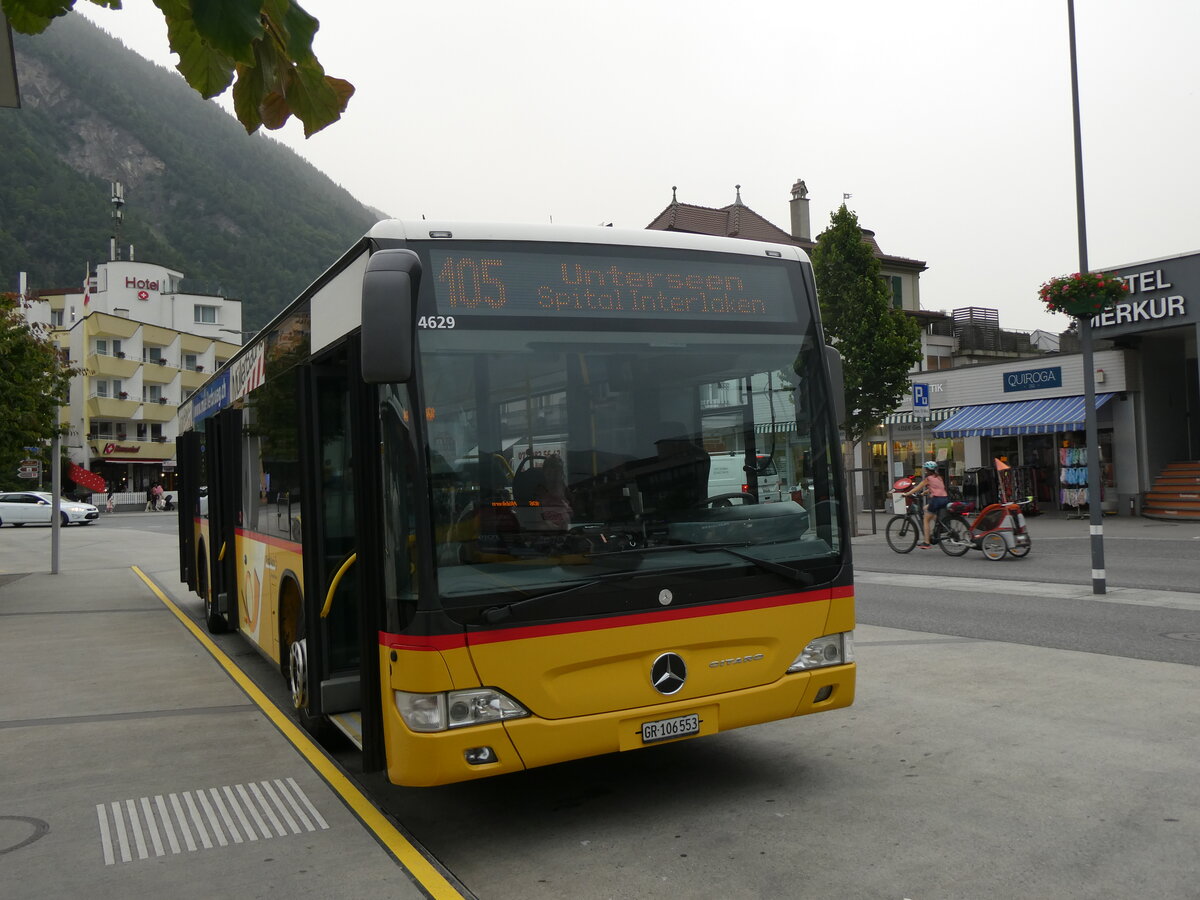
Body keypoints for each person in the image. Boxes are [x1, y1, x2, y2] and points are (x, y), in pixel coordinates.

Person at [904, 460, 949, 548]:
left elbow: (917, 488)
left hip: (936, 500)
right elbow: (938, 488)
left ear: (927, 470)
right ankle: (940, 524)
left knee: (926, 519)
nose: (925, 471)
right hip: (944, 499)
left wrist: (907, 494)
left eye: (925, 469)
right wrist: (925, 492)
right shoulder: (939, 478)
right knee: (925, 508)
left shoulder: (928, 479)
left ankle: (926, 542)